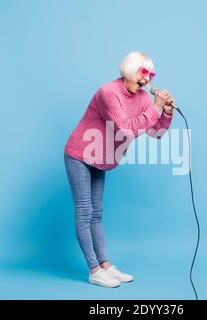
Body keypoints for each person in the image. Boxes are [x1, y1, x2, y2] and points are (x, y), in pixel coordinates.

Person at [64, 51, 175, 288]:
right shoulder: (108, 92)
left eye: (150, 74)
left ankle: (105, 265)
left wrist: (165, 112)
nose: (146, 80)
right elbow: (124, 130)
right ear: (129, 71)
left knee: (97, 213)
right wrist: (155, 107)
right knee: (85, 212)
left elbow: (157, 133)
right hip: (79, 154)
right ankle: (94, 270)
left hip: (100, 158)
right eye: (142, 73)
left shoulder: (144, 98)